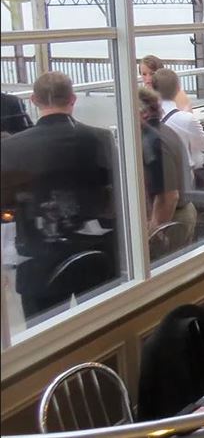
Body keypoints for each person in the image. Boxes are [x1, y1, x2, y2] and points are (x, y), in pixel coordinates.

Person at [1, 72, 117, 317]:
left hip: (38, 259)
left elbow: (6, 205)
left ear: (33, 100)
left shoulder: (10, 147)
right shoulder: (100, 138)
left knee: (47, 330)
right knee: (102, 322)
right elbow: (115, 191)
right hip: (97, 253)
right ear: (73, 98)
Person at [137, 87, 196, 250]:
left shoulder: (152, 141)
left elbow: (169, 196)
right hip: (183, 211)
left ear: (144, 113)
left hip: (172, 218)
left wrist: (154, 232)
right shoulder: (166, 131)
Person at [153, 69, 204, 172]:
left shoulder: (145, 117)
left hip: (155, 172)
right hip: (181, 173)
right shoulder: (186, 119)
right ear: (178, 89)